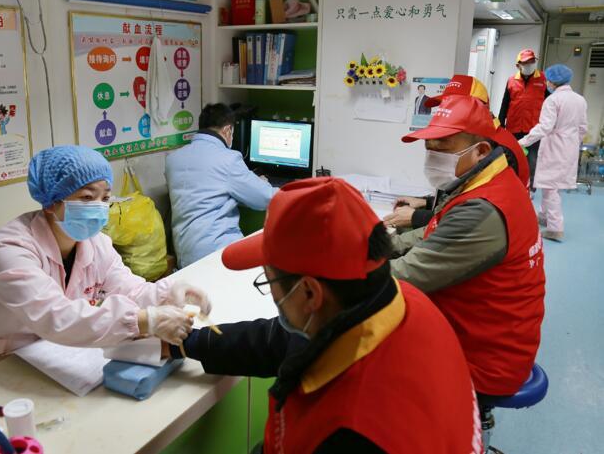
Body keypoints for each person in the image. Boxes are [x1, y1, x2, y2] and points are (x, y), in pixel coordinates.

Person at [168, 177, 482, 454]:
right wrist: (187, 342)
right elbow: (282, 340)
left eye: (268, 280)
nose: (273, 294)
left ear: (309, 293)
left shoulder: (354, 431)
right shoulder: (400, 303)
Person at [0, 145, 211, 389]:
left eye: (105, 198)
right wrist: (144, 320)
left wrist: (169, 292)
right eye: (87, 198)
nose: (99, 208)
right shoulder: (10, 249)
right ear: (52, 202)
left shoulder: (96, 244)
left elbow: (129, 289)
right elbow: (56, 315)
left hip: (46, 357)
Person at [390, 94, 546, 401]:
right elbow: (436, 232)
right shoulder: (491, 181)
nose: (432, 154)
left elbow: (403, 277)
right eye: (429, 146)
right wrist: (379, 243)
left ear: (481, 151)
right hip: (489, 337)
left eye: (443, 146)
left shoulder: (483, 208)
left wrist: (335, 269)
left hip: (483, 362)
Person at [384, 75, 530, 230]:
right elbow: (463, 193)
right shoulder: (479, 139)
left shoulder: (498, 149)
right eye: (444, 104)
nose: (445, 110)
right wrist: (427, 202)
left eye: (454, 105)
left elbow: (473, 216)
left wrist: (417, 217)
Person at [165, 103, 275, 268]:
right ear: (227, 130)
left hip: (184, 255)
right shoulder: (228, 159)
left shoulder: (173, 159)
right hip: (218, 254)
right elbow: (265, 198)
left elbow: (205, 188)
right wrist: (261, 184)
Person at [519, 64, 588, 242]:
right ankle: (544, 216)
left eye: (548, 81)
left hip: (554, 147)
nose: (547, 83)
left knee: (550, 189)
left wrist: (522, 142)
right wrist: (572, 142)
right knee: (552, 185)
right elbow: (583, 128)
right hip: (569, 148)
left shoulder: (553, 100)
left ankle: (555, 228)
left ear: (552, 81)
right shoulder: (580, 100)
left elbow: (545, 127)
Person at [498, 49, 549, 190]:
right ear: (518, 65)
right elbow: (505, 103)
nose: (529, 64)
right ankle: (513, 186)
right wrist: (501, 123)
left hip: (534, 128)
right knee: (513, 158)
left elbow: (550, 103)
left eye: (532, 61)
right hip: (514, 127)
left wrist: (549, 124)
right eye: (526, 62)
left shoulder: (543, 79)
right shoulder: (511, 80)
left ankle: (530, 188)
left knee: (532, 160)